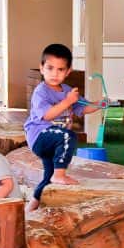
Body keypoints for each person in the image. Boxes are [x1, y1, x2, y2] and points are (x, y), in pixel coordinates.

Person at [24, 43, 106, 211]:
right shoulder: (41, 91)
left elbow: (82, 108)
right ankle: (60, 175)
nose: (55, 73)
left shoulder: (68, 90)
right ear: (41, 68)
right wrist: (68, 101)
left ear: (68, 71)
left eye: (60, 70)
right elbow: (47, 116)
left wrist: (98, 104)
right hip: (40, 136)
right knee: (68, 136)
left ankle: (31, 206)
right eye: (50, 68)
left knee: (48, 177)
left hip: (54, 142)